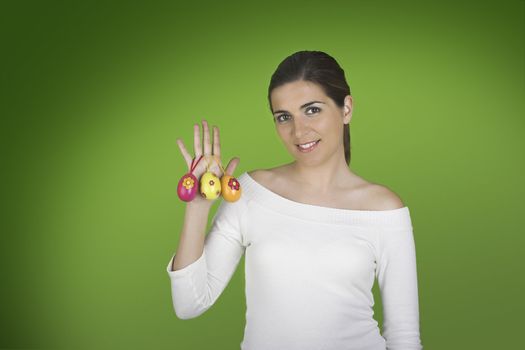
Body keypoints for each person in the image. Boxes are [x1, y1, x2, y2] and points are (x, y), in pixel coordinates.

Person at [167, 50, 423, 350]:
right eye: (284, 117)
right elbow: (189, 304)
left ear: (346, 109)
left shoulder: (384, 209)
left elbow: (404, 336)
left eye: (312, 110)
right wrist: (198, 207)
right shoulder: (250, 193)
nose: (299, 131)